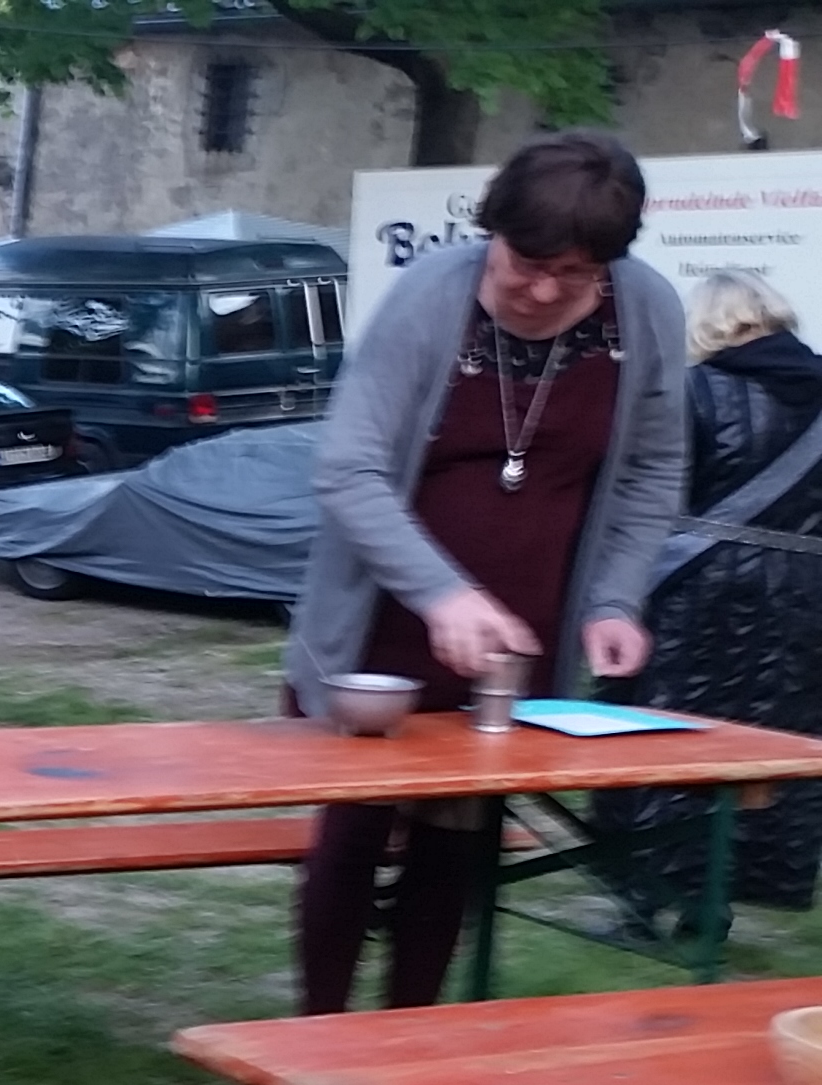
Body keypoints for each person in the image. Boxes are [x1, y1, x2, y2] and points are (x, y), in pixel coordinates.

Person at [284, 131, 688, 1015]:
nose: (543, 291)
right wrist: (441, 595)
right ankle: (317, 1042)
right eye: (527, 265)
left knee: (457, 845)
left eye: (575, 275)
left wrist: (614, 599)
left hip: (522, 633)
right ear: (493, 231)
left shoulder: (645, 311)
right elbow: (347, 470)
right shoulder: (430, 299)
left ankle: (412, 1040)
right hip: (382, 627)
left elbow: (654, 471)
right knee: (353, 837)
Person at [597, 269, 822, 919]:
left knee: (670, 733)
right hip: (804, 593)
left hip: (699, 591)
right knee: (773, 743)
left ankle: (655, 899)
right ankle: (728, 895)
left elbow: (649, 496)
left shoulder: (693, 391)